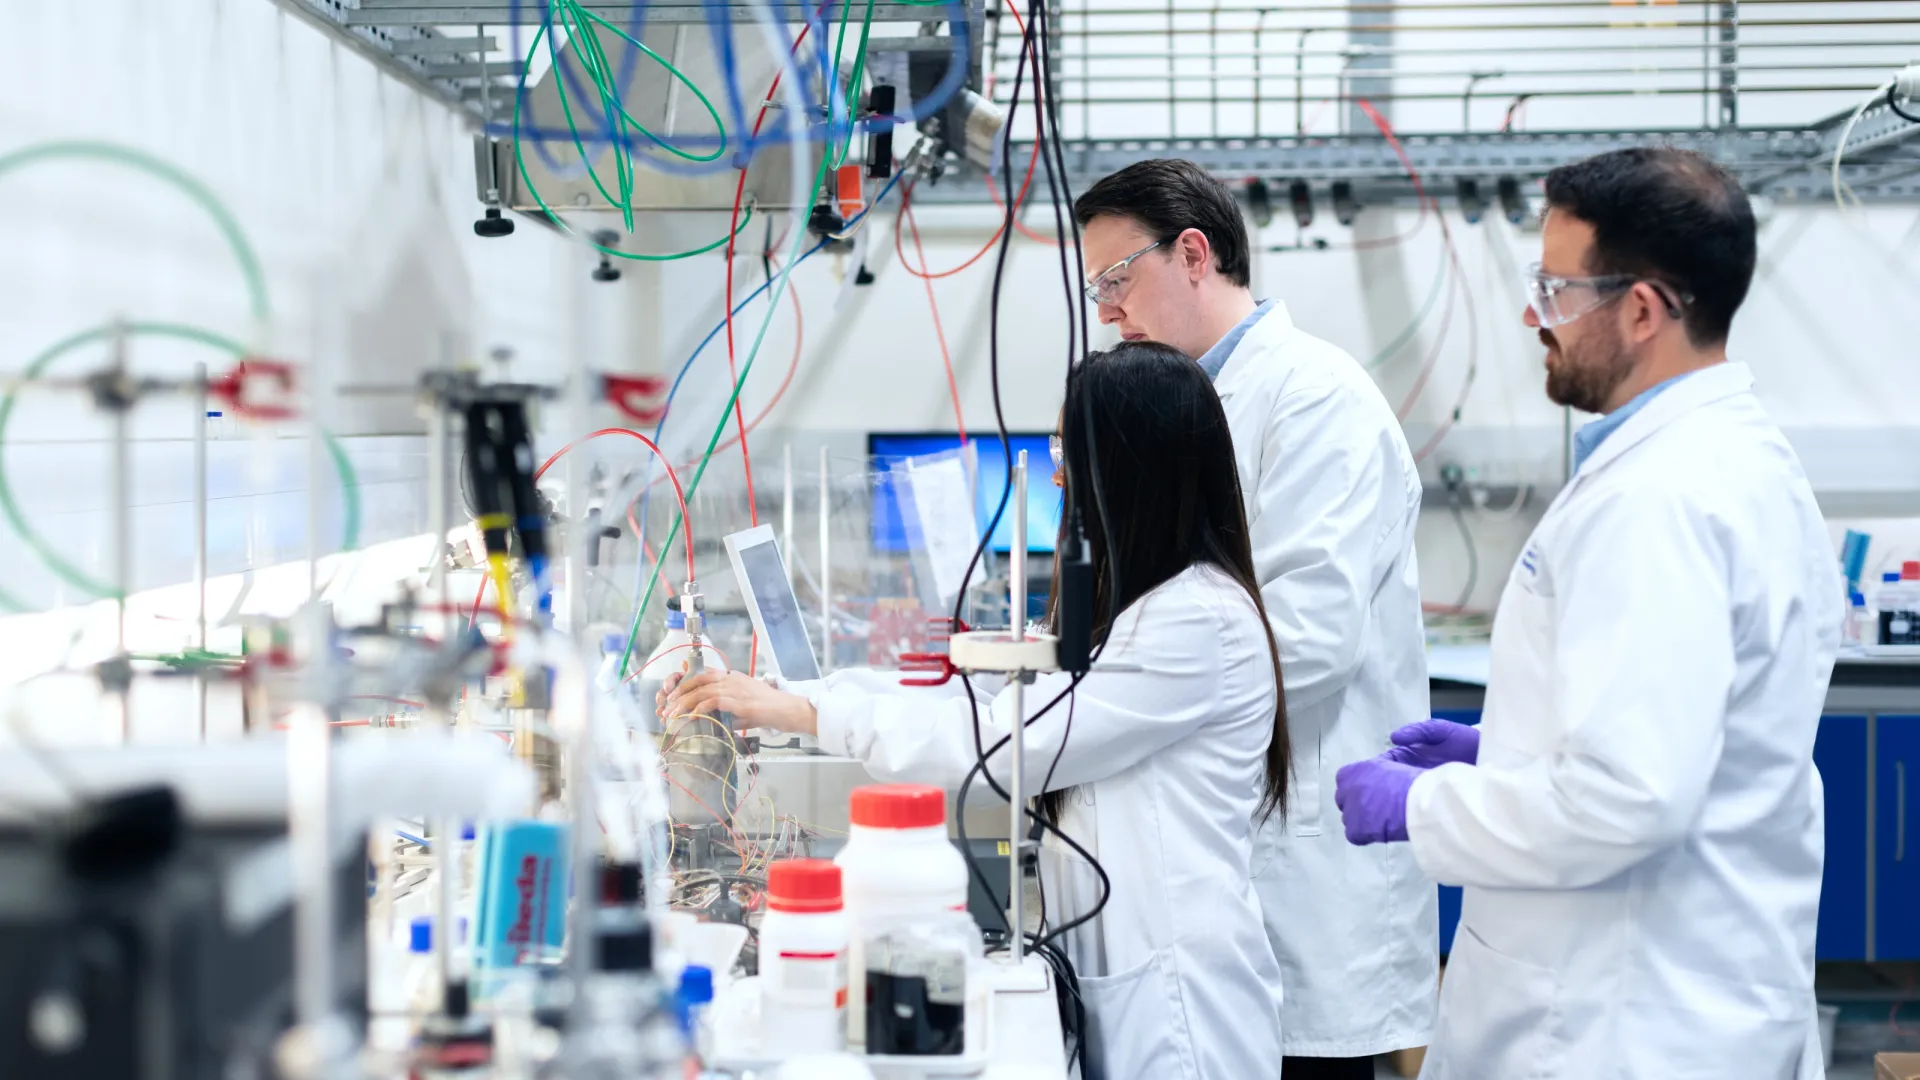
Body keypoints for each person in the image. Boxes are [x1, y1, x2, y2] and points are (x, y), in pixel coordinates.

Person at [1334, 147, 1840, 1078]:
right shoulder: (1731, 458)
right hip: (1688, 989)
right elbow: (1688, 737)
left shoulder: (1659, 498)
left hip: (1622, 1022)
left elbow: (1626, 801)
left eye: (1557, 291)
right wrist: (1512, 749)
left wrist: (1427, 804)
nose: (1534, 315)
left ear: (1643, 310)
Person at [665, 342, 1290, 1079]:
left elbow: (1004, 747)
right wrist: (811, 697)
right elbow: (994, 698)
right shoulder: (1152, 605)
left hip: (1182, 1008)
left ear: (1132, 465)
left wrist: (806, 714)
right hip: (1134, 972)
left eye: (1070, 450)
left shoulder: (1195, 621)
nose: (1057, 472)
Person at [1071, 159, 1436, 1077]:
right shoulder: (1182, 406)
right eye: (1097, 290)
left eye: (1116, 280)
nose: (1107, 311)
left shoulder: (1317, 398)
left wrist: (1118, 707)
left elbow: (1305, 640)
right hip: (1217, 858)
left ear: (1194, 254)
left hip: (1304, 865)